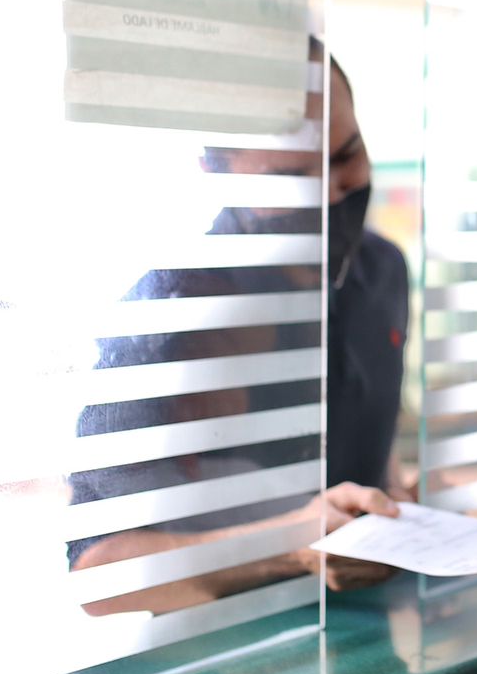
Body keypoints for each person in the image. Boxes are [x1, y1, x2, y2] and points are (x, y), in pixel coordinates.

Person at [68, 43, 413, 612]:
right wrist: (290, 547)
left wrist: (399, 500)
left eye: (348, 155)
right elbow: (98, 576)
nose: (332, 193)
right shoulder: (169, 317)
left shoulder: (383, 271)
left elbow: (373, 444)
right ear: (218, 174)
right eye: (292, 176)